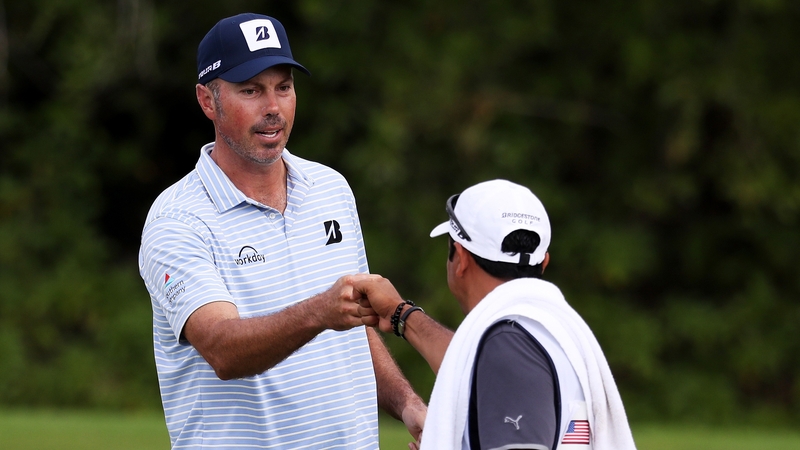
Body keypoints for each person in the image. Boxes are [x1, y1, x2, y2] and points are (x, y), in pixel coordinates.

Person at [138, 12, 425, 449]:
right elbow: (222, 348)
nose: (273, 107)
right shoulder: (176, 219)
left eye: (283, 87)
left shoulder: (331, 188)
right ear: (207, 101)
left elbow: (354, 324)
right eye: (251, 90)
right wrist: (318, 312)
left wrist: (407, 403)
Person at [355, 179, 637, 450]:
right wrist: (400, 313)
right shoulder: (547, 330)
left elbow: (498, 366)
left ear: (461, 259)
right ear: (544, 262)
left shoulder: (507, 342)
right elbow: (471, 366)